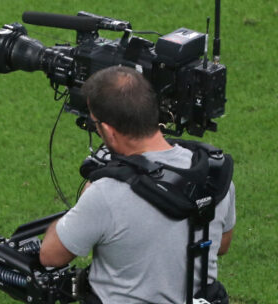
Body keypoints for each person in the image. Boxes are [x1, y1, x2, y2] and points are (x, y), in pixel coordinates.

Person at [39, 66, 236, 304]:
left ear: (109, 131)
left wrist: (91, 190)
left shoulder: (104, 194)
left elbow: (51, 255)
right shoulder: (212, 174)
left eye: (94, 123)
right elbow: (222, 245)